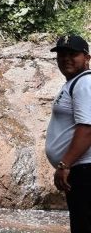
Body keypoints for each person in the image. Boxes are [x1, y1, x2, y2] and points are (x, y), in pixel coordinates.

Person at [45, 34, 91, 233]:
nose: (66, 59)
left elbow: (88, 128)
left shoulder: (84, 84)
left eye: (73, 54)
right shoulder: (74, 83)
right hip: (80, 171)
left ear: (87, 57)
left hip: (85, 171)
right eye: (61, 54)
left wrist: (65, 164)